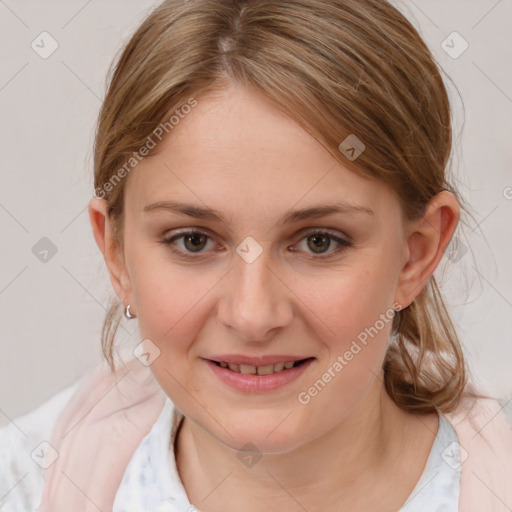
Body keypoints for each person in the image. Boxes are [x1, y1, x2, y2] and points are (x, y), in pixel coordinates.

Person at [1, 0, 511, 511]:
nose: (252, 316)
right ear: (116, 253)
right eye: (193, 240)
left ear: (414, 255)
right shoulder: (28, 480)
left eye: (319, 241)